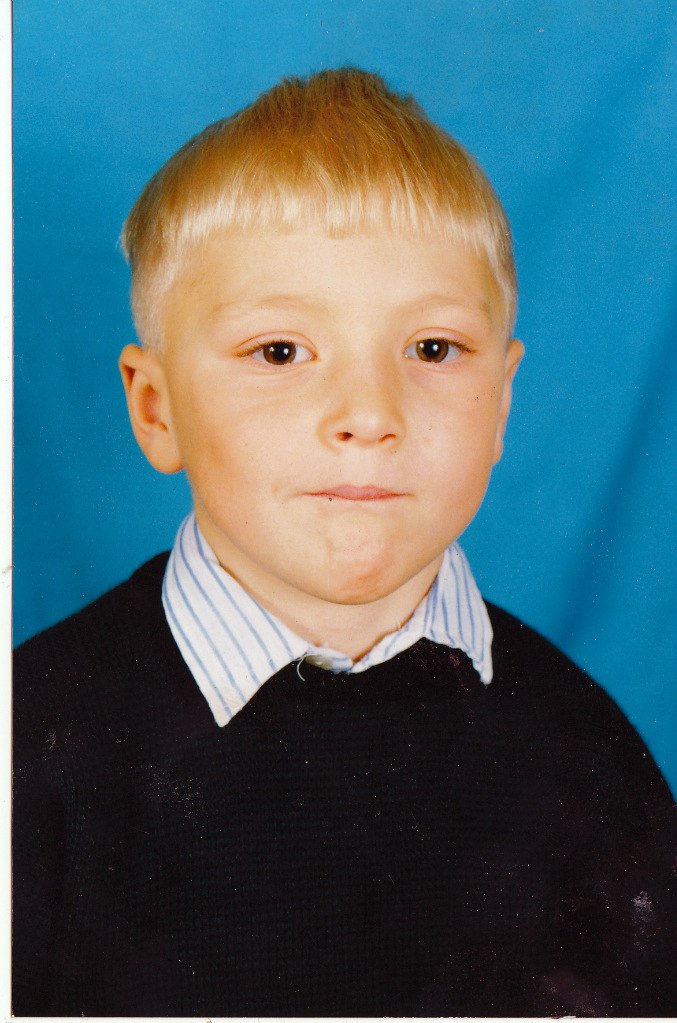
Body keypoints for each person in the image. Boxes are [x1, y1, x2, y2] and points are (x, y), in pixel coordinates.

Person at [13, 68, 675, 1017]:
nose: (368, 414)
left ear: (501, 404)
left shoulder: (588, 754)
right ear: (157, 410)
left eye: (432, 350)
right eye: (280, 352)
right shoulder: (31, 747)